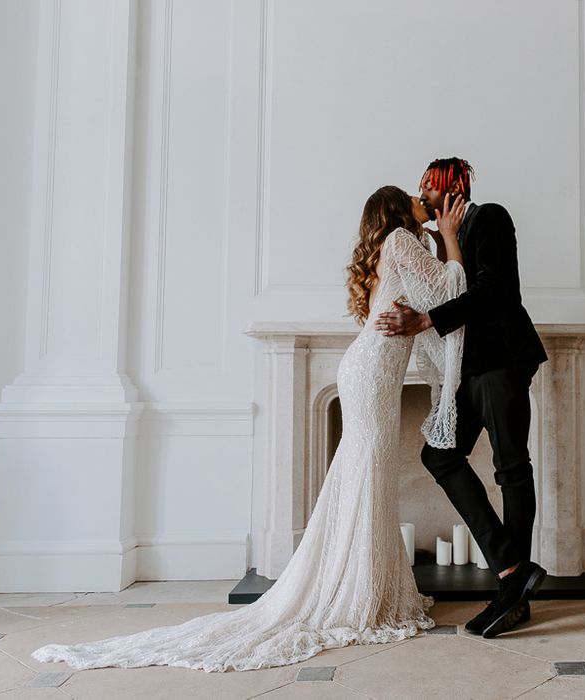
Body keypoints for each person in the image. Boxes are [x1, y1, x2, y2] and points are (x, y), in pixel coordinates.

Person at [31, 186, 468, 673]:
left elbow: (433, 298)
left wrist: (437, 241)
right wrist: (449, 234)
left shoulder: (399, 246)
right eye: (412, 196)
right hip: (372, 375)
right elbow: (452, 290)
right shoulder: (402, 241)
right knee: (368, 475)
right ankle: (361, 593)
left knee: (367, 476)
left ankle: (369, 586)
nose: (420, 198)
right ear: (394, 210)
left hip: (369, 371)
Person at [375, 157, 549, 639]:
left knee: (511, 467)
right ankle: (512, 568)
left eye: (426, 188)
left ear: (447, 187)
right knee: (439, 454)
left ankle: (511, 592)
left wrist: (427, 320)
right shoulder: (434, 239)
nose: (421, 196)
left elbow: (494, 290)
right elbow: (441, 288)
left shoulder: (490, 216)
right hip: (467, 368)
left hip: (501, 361)